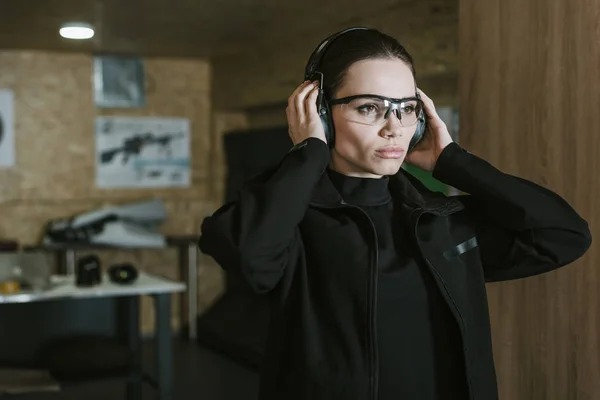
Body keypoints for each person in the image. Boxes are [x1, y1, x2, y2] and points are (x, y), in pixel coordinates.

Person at [198, 27, 592, 400]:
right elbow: (253, 260)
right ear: (319, 112)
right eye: (370, 107)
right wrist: (308, 154)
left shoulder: (441, 220)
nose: (394, 128)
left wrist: (453, 162)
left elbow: (564, 234)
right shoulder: (289, 217)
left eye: (406, 109)